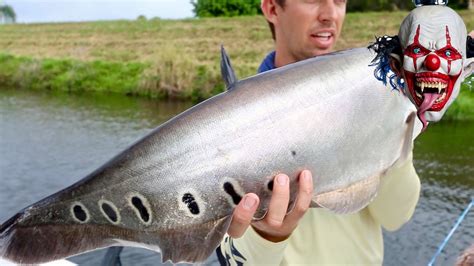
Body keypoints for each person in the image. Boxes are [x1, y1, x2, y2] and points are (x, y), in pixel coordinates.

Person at [216, 0, 421, 265]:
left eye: (340, 1)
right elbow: (231, 258)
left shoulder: (376, 98)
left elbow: (396, 216)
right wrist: (267, 235)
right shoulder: (227, 127)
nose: (330, 14)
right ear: (272, 9)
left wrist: (395, 124)